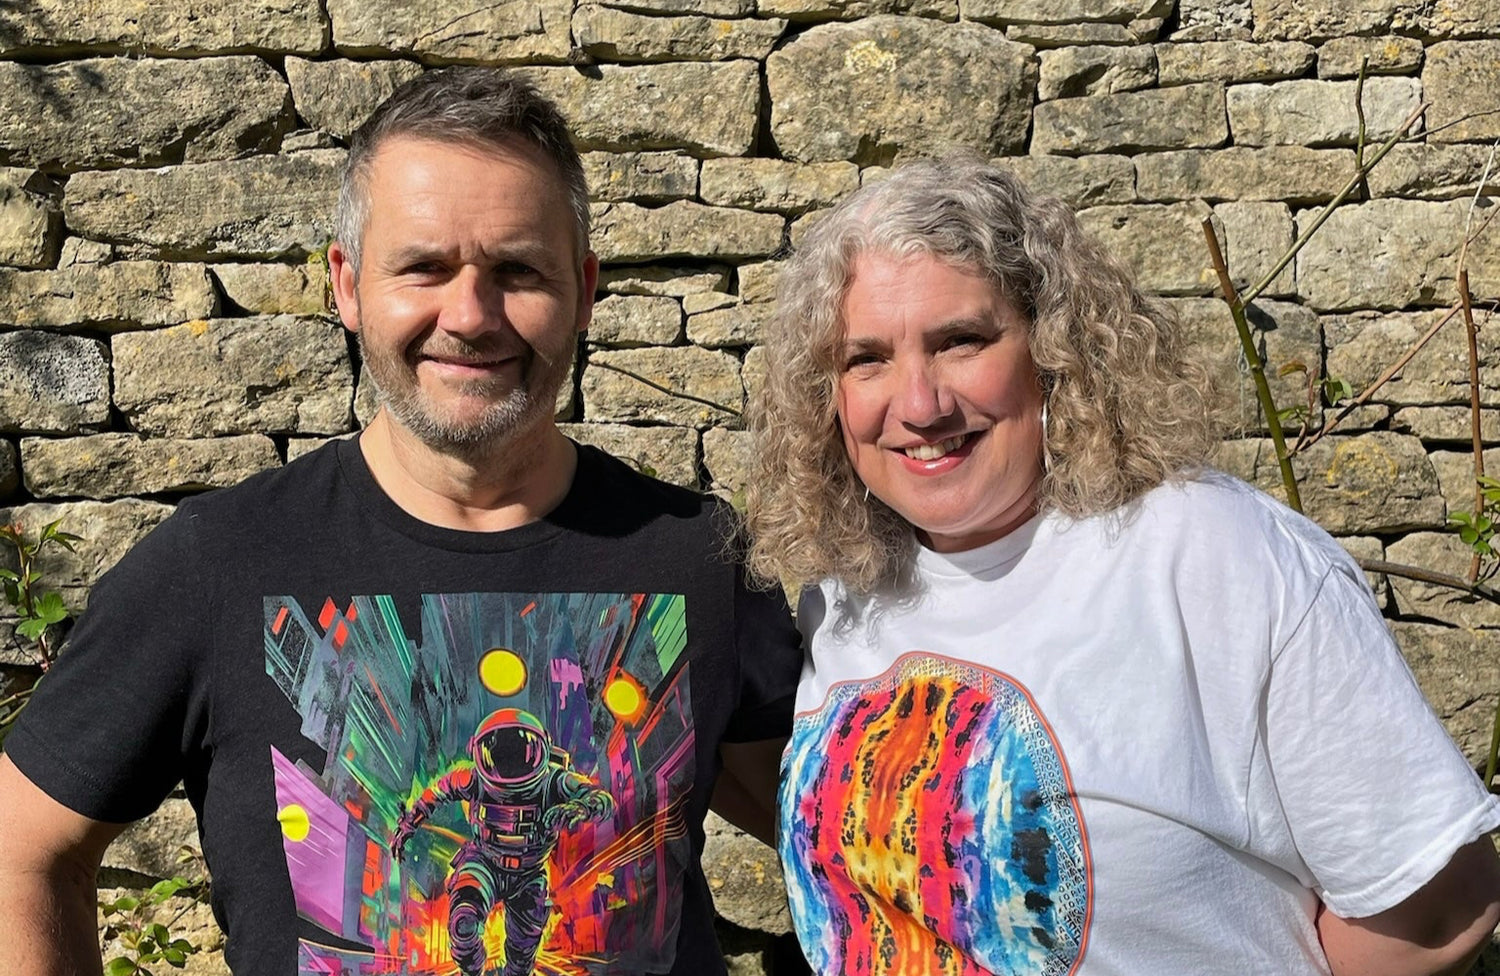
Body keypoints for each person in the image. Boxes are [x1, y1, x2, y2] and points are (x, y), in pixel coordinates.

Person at [0, 68, 800, 976]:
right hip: (470, 864)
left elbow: (845, 845)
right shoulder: (216, 563)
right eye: (423, 266)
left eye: (518, 271)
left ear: (582, 290)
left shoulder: (701, 558)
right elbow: (19, 850)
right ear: (346, 285)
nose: (469, 315)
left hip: (529, 873)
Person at [746, 155, 1500, 976]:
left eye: (960, 340)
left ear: (1052, 347)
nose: (920, 404)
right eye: (868, 359)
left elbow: (1440, 907)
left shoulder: (1213, 554)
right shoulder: (849, 587)